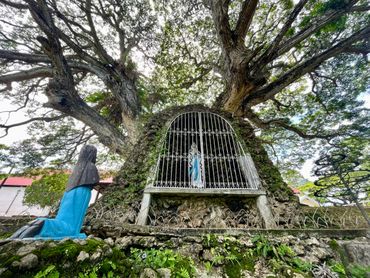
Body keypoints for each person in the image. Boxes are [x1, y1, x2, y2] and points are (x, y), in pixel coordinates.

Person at [10, 145, 99, 239]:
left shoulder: (77, 168)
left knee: (63, 216)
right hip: (82, 192)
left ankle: (33, 227)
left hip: (69, 193)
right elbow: (95, 180)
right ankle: (45, 225)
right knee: (72, 226)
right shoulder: (91, 166)